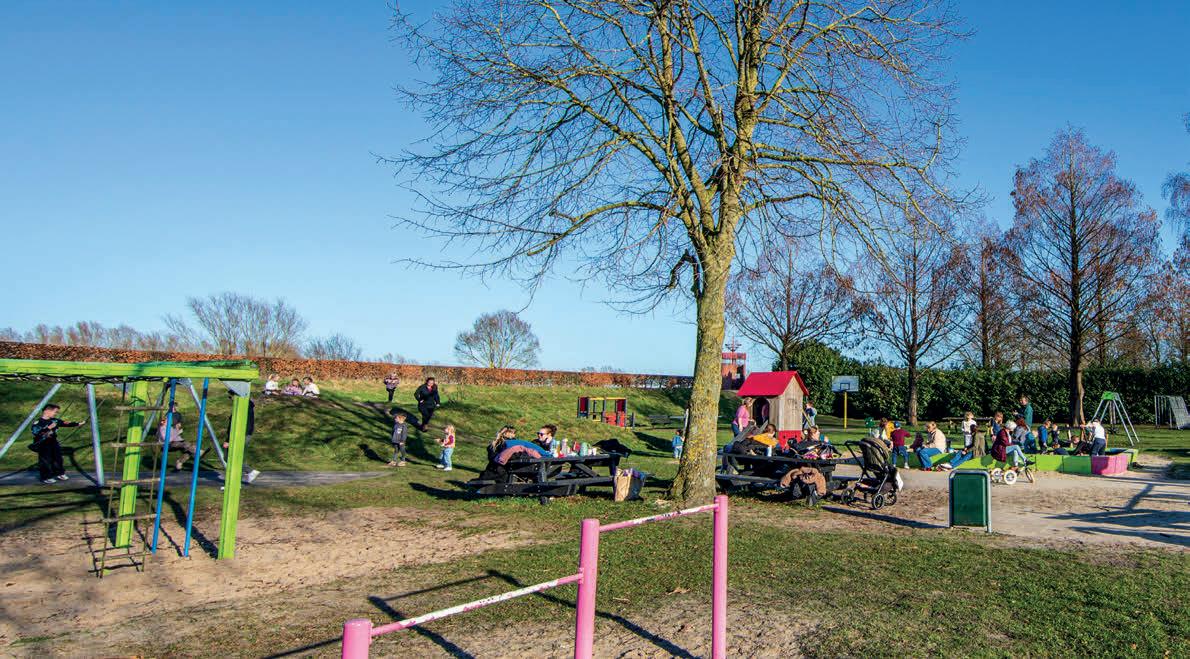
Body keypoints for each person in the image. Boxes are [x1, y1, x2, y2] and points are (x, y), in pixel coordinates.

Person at [29, 404, 80, 483]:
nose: (56, 414)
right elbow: (36, 433)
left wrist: (78, 424)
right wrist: (48, 428)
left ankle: (59, 473)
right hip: (43, 444)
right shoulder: (38, 423)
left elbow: (65, 423)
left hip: (53, 442)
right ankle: (46, 477)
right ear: (47, 411)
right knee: (46, 460)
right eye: (55, 412)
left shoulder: (54, 420)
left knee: (58, 458)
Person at [221, 393, 260, 484]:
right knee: (231, 457)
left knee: (231, 457)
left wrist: (229, 440)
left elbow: (236, 425)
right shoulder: (245, 406)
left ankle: (249, 472)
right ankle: (240, 477)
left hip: (241, 435)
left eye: (231, 397)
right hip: (243, 435)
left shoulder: (243, 407)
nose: (230, 399)